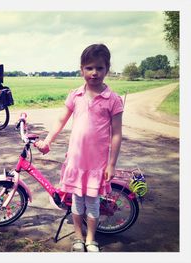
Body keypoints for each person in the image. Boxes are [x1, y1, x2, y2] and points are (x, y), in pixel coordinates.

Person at [35, 44, 123, 252]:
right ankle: (78, 236)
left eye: (99, 68)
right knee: (76, 203)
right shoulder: (75, 95)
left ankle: (91, 238)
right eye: (90, 68)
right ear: (81, 69)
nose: (94, 73)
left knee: (92, 204)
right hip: (76, 160)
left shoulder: (113, 100)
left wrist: (112, 164)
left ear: (107, 69)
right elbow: (60, 120)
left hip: (97, 164)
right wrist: (47, 141)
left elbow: (117, 134)